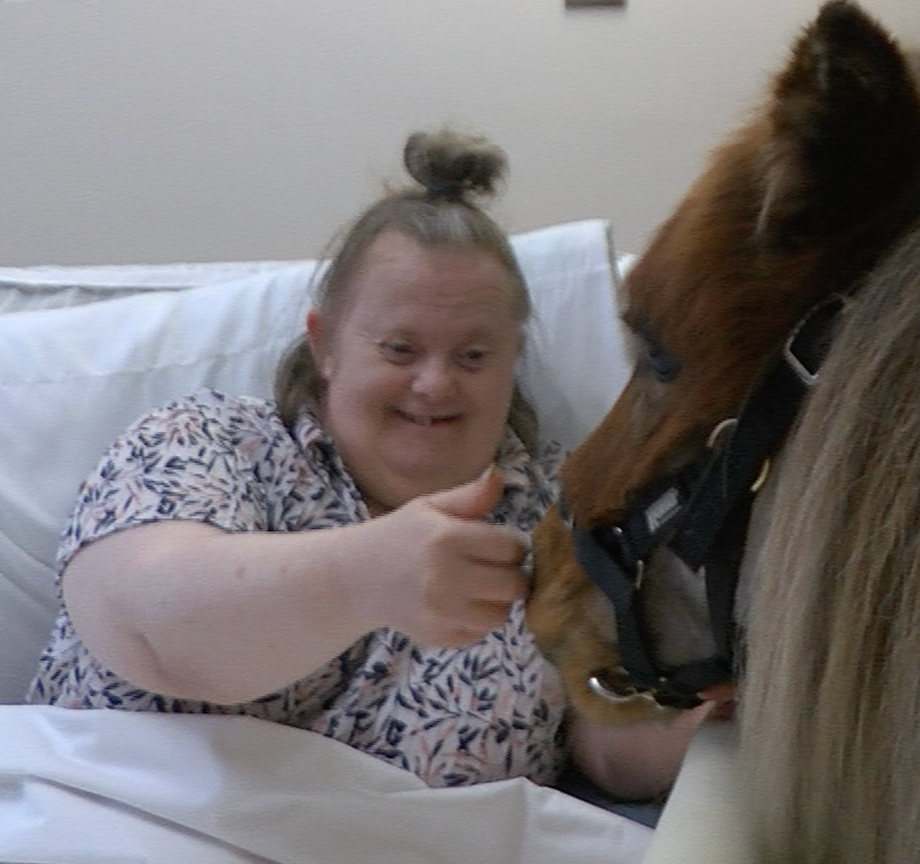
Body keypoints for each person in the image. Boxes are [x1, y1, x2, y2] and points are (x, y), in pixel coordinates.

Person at [27, 129, 703, 800]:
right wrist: (365, 577)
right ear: (325, 345)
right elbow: (154, 629)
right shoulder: (205, 441)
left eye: (473, 357)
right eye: (401, 350)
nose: (435, 385)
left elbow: (607, 745)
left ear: (513, 357)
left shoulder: (565, 513)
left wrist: (719, 708)